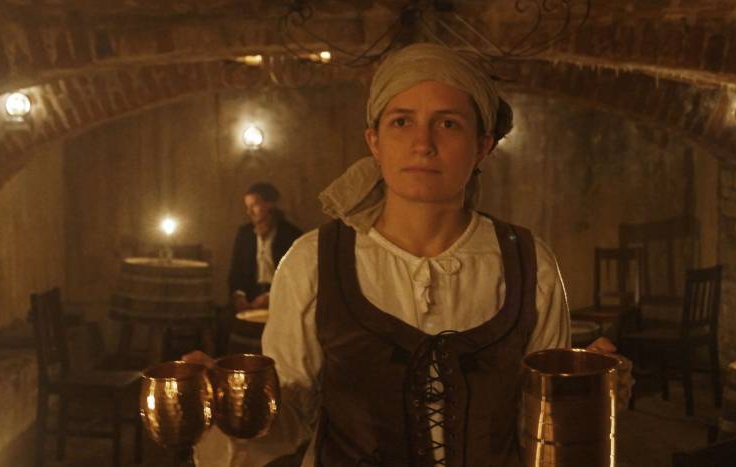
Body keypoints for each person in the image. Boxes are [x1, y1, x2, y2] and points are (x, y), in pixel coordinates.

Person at [191, 43, 624, 467]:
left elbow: (543, 427)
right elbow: (289, 416)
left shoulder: (530, 264)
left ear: (483, 146)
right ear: (374, 142)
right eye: (401, 122)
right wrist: (228, 403)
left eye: (448, 124)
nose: (423, 144)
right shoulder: (312, 262)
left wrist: (585, 397)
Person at [227, 182, 302, 311]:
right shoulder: (244, 234)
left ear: (270, 205)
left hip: (283, 300)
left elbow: (298, 279)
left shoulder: (291, 235)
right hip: (251, 299)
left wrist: (271, 296)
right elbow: (235, 272)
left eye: (254, 206)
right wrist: (238, 296)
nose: (249, 212)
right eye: (247, 207)